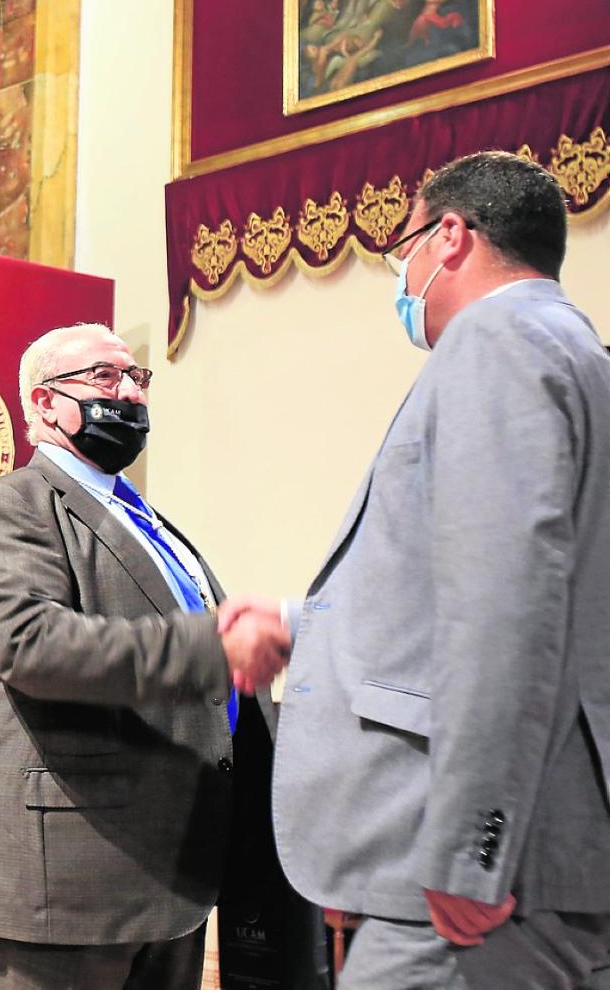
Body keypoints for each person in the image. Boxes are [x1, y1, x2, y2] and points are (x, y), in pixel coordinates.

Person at [223, 151, 610, 987]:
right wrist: (299, 622)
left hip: (478, 896)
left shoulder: (499, 338)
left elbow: (508, 608)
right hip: (530, 871)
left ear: (452, 237)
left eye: (403, 249)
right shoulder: (571, 350)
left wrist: (474, 849)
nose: (402, 274)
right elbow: (498, 577)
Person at [0, 322, 303, 989]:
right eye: (105, 378)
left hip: (169, 878)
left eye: (137, 378)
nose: (130, 394)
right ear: (44, 403)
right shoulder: (9, 506)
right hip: (68, 885)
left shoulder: (151, 522)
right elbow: (32, 645)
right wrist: (213, 644)